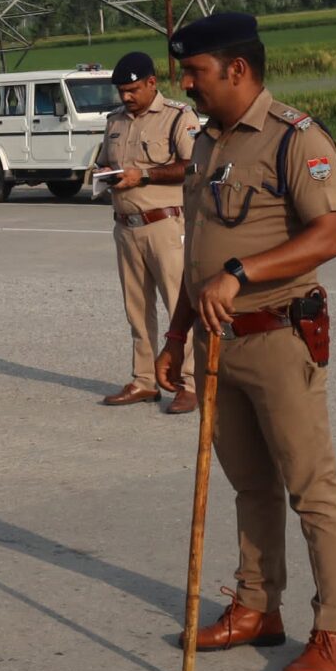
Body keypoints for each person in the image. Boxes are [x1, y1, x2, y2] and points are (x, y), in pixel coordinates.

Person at [152, 12, 336, 671]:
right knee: (250, 485)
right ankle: (256, 606)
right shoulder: (205, 143)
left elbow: (329, 235)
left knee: (311, 489)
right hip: (218, 342)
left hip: (278, 335)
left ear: (237, 69)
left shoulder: (295, 138)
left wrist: (242, 273)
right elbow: (199, 252)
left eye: (196, 72)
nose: (186, 85)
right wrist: (176, 333)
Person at [97, 50, 202, 414]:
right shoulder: (115, 121)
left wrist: (143, 175)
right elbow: (103, 161)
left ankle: (189, 383)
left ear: (152, 83)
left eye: (132, 90)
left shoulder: (178, 117)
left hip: (165, 226)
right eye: (122, 91)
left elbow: (194, 165)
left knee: (179, 306)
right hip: (126, 228)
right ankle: (144, 380)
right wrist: (101, 174)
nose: (126, 97)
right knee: (137, 310)